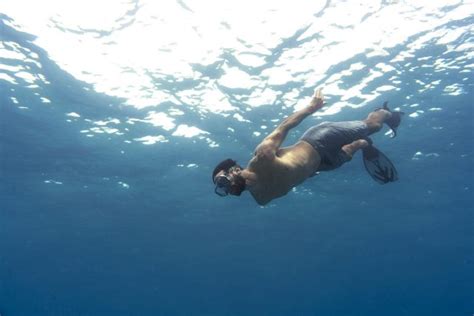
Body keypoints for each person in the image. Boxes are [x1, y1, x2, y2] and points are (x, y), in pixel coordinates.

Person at [212, 88, 403, 205]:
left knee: (372, 127)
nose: (226, 189)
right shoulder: (262, 199)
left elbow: (284, 127)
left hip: (319, 139)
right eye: (222, 189)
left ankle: (385, 113)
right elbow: (291, 176)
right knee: (352, 149)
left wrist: (311, 108)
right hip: (323, 165)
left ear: (234, 170)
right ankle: (363, 143)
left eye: (222, 182)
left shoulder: (262, 157)